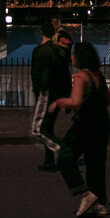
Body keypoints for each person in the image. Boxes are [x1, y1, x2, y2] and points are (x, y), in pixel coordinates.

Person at [49, 42, 110, 217]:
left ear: (81, 57)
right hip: (102, 124)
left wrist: (59, 103)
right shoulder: (98, 75)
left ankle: (85, 194)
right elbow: (109, 100)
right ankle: (101, 204)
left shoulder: (80, 77)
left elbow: (75, 101)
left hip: (85, 124)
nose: (72, 57)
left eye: (74, 54)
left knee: (64, 157)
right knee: (96, 165)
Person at [31, 21, 67, 170]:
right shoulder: (59, 51)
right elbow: (64, 74)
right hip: (58, 94)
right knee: (48, 127)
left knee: (38, 129)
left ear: (41, 33)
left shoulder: (39, 51)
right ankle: (49, 160)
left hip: (46, 93)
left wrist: (39, 90)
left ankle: (62, 150)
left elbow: (37, 74)